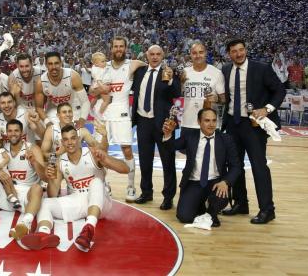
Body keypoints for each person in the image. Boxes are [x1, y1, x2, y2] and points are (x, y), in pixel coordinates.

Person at [21, 124, 129, 252]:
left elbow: (125, 169)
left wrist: (106, 159)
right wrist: (51, 178)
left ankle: (89, 228)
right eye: (66, 139)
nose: (70, 142)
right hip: (78, 201)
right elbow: (52, 194)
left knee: (96, 182)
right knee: (44, 202)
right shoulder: (60, 162)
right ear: (62, 142)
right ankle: (44, 234)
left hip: (101, 202)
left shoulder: (93, 153)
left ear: (78, 139)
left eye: (73, 138)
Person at [221, 39, 285, 224]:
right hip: (233, 123)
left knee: (259, 166)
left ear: (246, 50)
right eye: (234, 51)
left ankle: (267, 209)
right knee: (235, 166)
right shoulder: (225, 70)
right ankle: (241, 203)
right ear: (229, 54)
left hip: (254, 125)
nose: (238, 54)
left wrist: (267, 109)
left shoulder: (261, 68)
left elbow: (279, 90)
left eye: (241, 50)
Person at [162, 108, 242, 227]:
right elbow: (171, 147)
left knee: (220, 197)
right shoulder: (190, 136)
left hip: (216, 182)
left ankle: (211, 214)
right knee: (184, 217)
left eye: (214, 121)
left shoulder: (226, 139)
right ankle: (202, 208)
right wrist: (168, 134)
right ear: (199, 122)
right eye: (207, 120)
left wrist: (226, 182)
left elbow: (236, 166)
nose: (211, 124)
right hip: (194, 182)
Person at [0, 119, 47, 241]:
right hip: (4, 192)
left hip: (25, 196)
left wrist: (33, 161)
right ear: (6, 133)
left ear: (22, 132)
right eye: (10, 131)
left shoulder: (33, 148)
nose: (13, 133)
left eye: (16, 130)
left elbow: (45, 177)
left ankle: (25, 224)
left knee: (38, 188)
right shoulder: (1, 148)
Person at [93, 36, 146, 202]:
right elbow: (92, 91)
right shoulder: (103, 66)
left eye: (121, 46)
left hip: (122, 113)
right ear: (111, 48)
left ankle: (131, 186)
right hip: (103, 114)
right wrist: (100, 89)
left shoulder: (132, 64)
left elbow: (149, 64)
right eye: (115, 46)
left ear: (125, 48)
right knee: (100, 151)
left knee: (127, 151)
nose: (118, 49)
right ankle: (104, 185)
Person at [131, 45, 181, 210]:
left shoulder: (169, 71)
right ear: (147, 55)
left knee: (168, 161)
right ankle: (146, 192)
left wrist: (172, 79)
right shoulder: (139, 72)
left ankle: (168, 197)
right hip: (143, 121)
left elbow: (176, 93)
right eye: (151, 54)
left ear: (163, 55)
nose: (154, 57)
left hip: (163, 123)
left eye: (158, 54)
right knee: (145, 160)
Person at [34, 51, 90, 129]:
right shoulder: (41, 82)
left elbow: (85, 101)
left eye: (56, 63)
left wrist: (82, 119)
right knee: (51, 132)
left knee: (73, 134)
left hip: (73, 106)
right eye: (50, 64)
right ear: (46, 65)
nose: (53, 67)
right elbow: (39, 107)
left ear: (61, 63)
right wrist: (47, 122)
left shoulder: (73, 76)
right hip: (54, 108)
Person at [181, 42, 226, 138]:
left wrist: (217, 98)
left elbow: (225, 99)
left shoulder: (216, 73)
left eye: (201, 52)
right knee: (189, 153)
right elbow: (178, 94)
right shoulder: (184, 72)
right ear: (190, 55)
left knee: (211, 153)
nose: (198, 55)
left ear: (206, 53)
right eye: (194, 53)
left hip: (210, 124)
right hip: (188, 123)